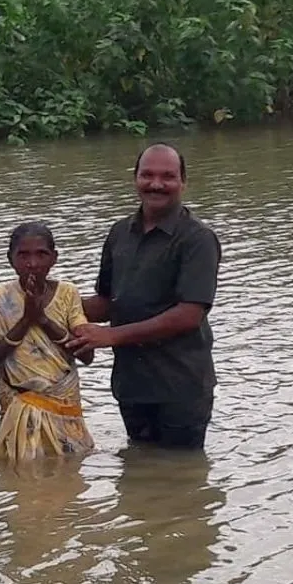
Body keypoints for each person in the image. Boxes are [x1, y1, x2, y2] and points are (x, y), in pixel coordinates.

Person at [69, 143, 221, 450]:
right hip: (132, 384)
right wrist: (54, 303)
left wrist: (111, 335)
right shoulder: (119, 233)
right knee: (140, 474)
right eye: (147, 175)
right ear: (135, 179)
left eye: (167, 176)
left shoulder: (198, 239)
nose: (156, 184)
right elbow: (106, 302)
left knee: (181, 481)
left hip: (181, 386)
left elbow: (189, 315)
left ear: (183, 182)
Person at [0, 222, 95, 461]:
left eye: (41, 254)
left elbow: (87, 355)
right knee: (25, 468)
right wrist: (26, 320)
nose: (33, 263)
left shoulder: (68, 294)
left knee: (69, 477)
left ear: (54, 258)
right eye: (23, 255)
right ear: (11, 259)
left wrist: (43, 320)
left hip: (65, 406)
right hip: (20, 409)